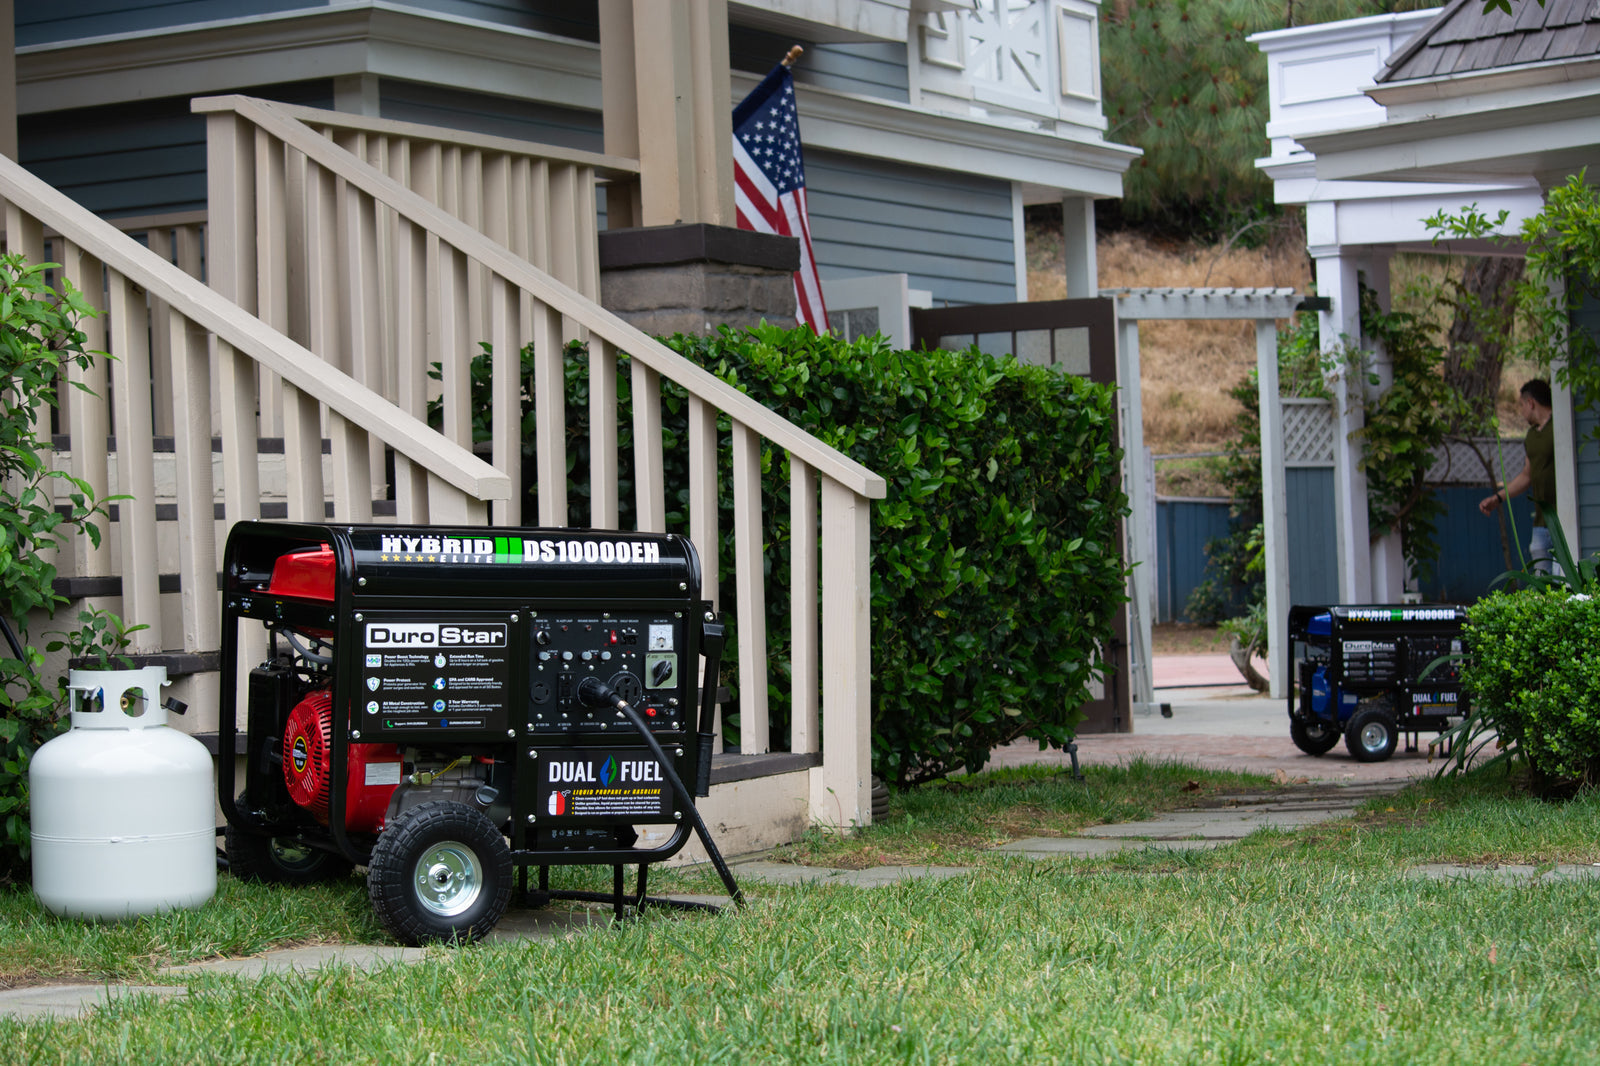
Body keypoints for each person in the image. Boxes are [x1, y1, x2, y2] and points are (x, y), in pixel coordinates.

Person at [1478, 378, 1559, 573]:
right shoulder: (1531, 436)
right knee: (1542, 584)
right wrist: (1498, 498)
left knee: (1562, 582)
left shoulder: (1559, 427)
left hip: (1562, 520)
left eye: (1522, 405)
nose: (1521, 412)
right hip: (1541, 523)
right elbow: (1526, 475)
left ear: (1531, 403)